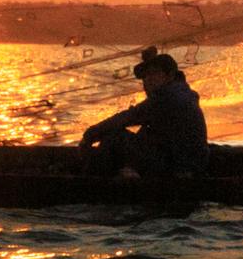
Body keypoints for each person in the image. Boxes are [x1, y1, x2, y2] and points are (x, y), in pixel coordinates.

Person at [81, 49, 208, 180]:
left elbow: (128, 117)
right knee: (142, 134)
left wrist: (90, 134)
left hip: (177, 168)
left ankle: (92, 184)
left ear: (169, 75)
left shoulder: (167, 97)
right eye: (145, 77)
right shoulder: (183, 93)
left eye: (153, 74)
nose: (147, 80)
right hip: (185, 164)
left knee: (114, 137)